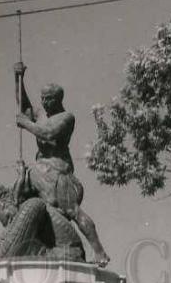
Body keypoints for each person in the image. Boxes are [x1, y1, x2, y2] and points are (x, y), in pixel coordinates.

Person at [14, 63, 109, 267]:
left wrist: (26, 124)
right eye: (43, 99)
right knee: (22, 201)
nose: (45, 102)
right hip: (38, 170)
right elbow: (25, 108)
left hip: (58, 171)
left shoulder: (67, 117)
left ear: (58, 99)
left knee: (72, 211)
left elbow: (48, 134)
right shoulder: (41, 115)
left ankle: (99, 252)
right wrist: (18, 79)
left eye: (49, 99)